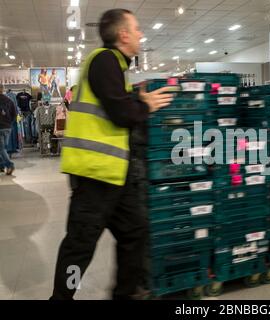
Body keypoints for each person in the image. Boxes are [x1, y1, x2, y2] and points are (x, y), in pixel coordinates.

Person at [51, 9, 173, 300]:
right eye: (137, 29)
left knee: (135, 232)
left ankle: (126, 293)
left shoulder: (115, 65)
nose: (142, 34)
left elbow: (116, 105)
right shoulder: (105, 60)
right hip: (94, 176)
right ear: (123, 34)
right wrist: (145, 107)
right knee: (80, 247)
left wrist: (136, 100)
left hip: (115, 176)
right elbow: (121, 115)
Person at [0, 85, 17, 175]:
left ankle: (10, 165)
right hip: (7, 128)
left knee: (1, 149)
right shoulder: (9, 100)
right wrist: (9, 122)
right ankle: (2, 166)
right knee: (3, 148)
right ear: (3, 89)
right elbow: (15, 114)